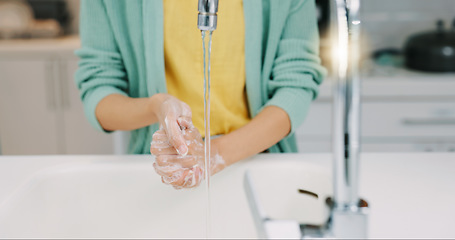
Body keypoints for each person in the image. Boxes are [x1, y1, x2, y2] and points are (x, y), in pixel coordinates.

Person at [75, 0, 326, 189]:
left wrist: (214, 154)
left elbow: (295, 86)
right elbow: (99, 91)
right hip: (164, 171)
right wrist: (156, 106)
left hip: (258, 163)